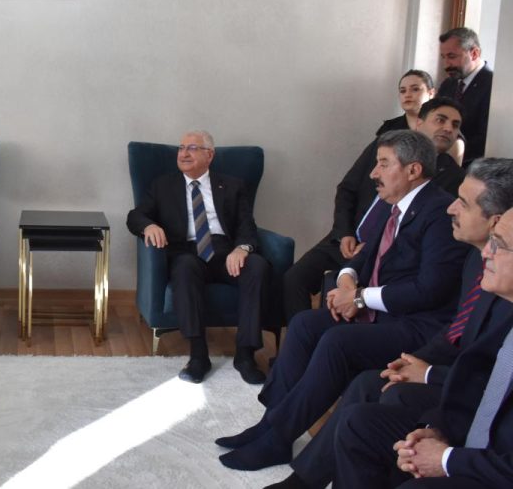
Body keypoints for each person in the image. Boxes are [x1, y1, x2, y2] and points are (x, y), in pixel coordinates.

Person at [216, 130, 469, 471]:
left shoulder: (437, 212)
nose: (373, 173)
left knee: (338, 341)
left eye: (383, 164)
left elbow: (430, 289)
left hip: (417, 324)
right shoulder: (395, 206)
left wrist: (360, 297)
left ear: (413, 170)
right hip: (384, 314)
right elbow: (363, 256)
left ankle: (277, 437)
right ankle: (270, 424)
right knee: (305, 324)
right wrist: (347, 279)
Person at [265, 158, 513, 489]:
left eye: (463, 203)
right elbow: (461, 333)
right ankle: (284, 448)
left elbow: (429, 295)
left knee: (354, 356)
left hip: (426, 339)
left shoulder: (488, 269)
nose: (451, 208)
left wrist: (427, 378)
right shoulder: (476, 259)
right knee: (343, 364)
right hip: (446, 368)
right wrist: (415, 364)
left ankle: (283, 446)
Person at [333, 207, 513, 488]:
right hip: (473, 441)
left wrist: (446, 459)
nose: (486, 252)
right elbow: (477, 384)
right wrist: (435, 430)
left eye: (499, 245)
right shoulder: (503, 310)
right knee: (358, 424)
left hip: (497, 468)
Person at [282, 95, 466, 321]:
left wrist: (374, 248)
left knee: (333, 314)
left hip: (383, 253)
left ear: (414, 171)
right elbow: (347, 189)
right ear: (419, 122)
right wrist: (344, 233)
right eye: (441, 120)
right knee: (294, 279)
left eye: (455, 125)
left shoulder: (454, 178)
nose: (448, 128)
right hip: (345, 239)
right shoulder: (383, 147)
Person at [126, 130, 271, 384]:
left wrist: (242, 248)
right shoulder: (163, 186)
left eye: (192, 148)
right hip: (187, 252)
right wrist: (149, 225)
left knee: (257, 266)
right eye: (181, 148)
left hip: (226, 252)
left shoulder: (232, 185)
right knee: (183, 268)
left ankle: (245, 355)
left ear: (209, 155)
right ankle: (198, 355)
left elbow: (246, 225)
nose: (183, 153)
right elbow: (135, 216)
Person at [436, 27, 493, 166]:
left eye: (452, 56)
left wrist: (451, 152)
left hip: (474, 167)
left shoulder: (494, 86)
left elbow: (486, 137)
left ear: (474, 53)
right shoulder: (447, 84)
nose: (446, 65)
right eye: (443, 57)